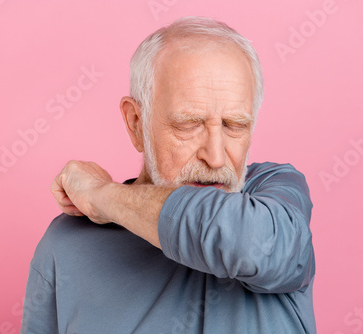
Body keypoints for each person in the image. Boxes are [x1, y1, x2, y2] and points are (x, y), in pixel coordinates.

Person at [21, 16, 316, 333]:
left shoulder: (275, 194)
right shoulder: (66, 246)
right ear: (136, 123)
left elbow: (248, 244)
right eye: (189, 125)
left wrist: (100, 195)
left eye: (235, 126)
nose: (215, 158)